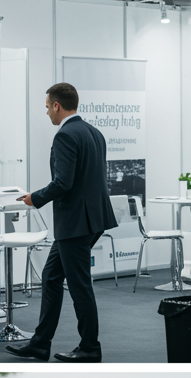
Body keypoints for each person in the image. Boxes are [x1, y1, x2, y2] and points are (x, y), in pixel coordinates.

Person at [7, 83, 117, 363]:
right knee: (51, 277)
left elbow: (63, 182)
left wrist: (35, 198)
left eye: (47, 107)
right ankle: (40, 343)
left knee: (79, 285)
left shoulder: (65, 135)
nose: (47, 113)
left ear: (57, 105)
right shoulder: (94, 133)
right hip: (92, 219)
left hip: (75, 223)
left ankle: (90, 347)